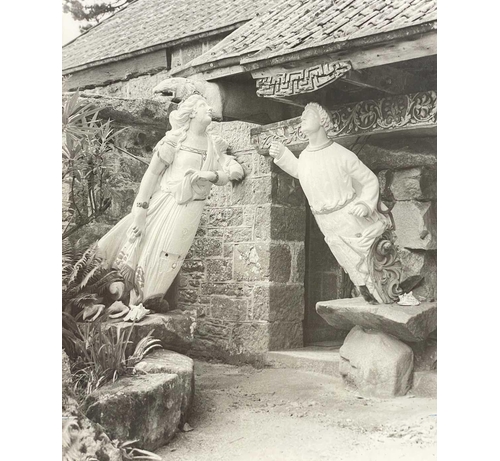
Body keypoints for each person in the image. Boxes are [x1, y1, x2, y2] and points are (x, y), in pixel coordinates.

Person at [97, 94, 243, 311]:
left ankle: (152, 295)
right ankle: (137, 297)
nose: (210, 109)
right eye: (204, 105)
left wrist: (210, 176)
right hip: (166, 202)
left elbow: (235, 172)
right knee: (151, 247)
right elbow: (151, 175)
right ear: (192, 112)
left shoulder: (214, 144)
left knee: (174, 253)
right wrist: (139, 212)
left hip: (192, 208)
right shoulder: (174, 141)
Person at [269, 102, 393, 304]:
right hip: (325, 221)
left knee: (366, 262)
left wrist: (365, 204)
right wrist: (282, 154)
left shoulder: (341, 155)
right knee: (348, 264)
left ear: (321, 121)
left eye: (307, 115)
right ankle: (372, 301)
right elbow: (302, 172)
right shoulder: (307, 156)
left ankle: (386, 298)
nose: (302, 118)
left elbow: (369, 180)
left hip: (348, 217)